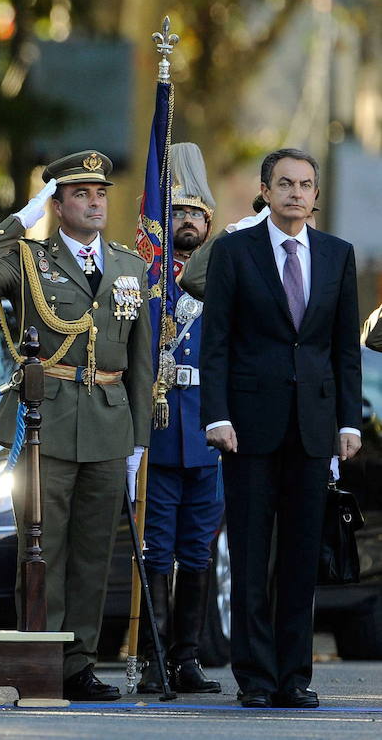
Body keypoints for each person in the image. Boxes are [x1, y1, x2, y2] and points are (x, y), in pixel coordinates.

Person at [0, 151, 153, 700]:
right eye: (80, 194)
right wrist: (24, 215)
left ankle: (79, 664)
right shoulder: (28, 258)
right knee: (42, 549)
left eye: (101, 194)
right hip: (46, 420)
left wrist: (138, 441)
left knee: (93, 553)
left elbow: (139, 361)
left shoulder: (128, 265)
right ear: (58, 204)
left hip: (109, 423)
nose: (94, 202)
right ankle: (38, 657)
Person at [199, 148, 362, 709]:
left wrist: (349, 420)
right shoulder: (233, 252)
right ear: (265, 190)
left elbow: (345, 349)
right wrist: (215, 416)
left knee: (299, 557)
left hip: (315, 427)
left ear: (316, 196)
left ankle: (294, 677)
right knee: (249, 555)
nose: (296, 192)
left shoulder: (338, 256)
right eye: (285, 183)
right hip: (246, 427)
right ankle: (255, 677)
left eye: (306, 184)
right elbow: (215, 341)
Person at [137, 142, 222, 694]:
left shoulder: (226, 274)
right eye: (179, 212)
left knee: (197, 548)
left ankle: (186, 657)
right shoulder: (141, 274)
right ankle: (151, 659)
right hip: (162, 428)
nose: (188, 221)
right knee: (157, 546)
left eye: (197, 214)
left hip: (211, 431)